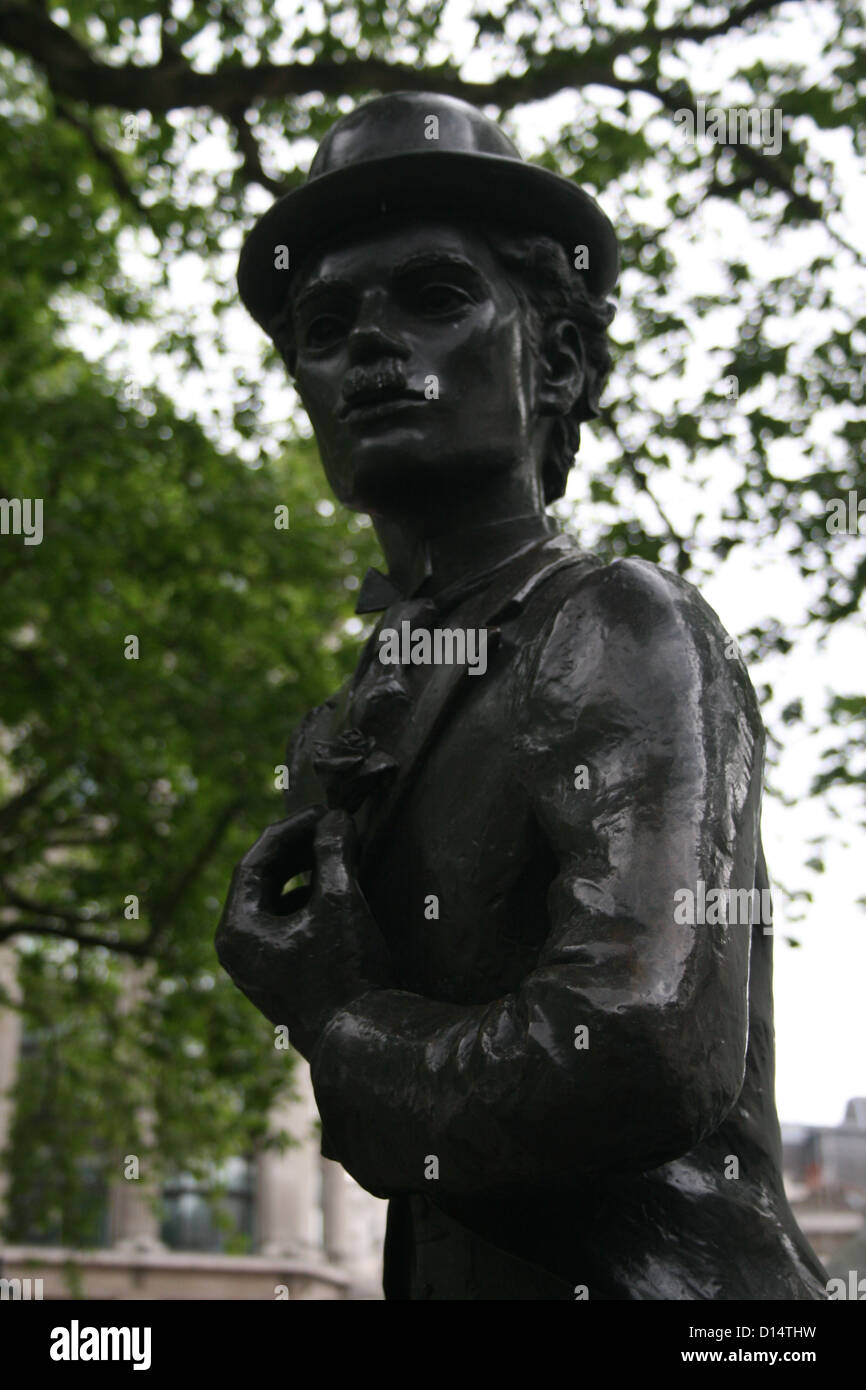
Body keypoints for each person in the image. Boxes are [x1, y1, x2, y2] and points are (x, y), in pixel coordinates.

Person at [216, 91, 827, 1300]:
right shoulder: (360, 709)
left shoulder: (612, 624)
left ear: (551, 358)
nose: (372, 345)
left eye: (434, 297)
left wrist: (340, 1023)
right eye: (327, 323)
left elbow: (637, 1043)